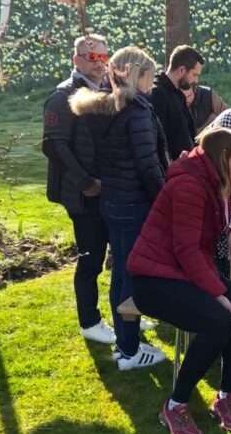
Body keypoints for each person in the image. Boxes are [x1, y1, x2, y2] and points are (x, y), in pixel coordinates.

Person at [128, 127, 231, 434]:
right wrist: (216, 292)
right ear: (223, 156)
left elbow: (211, 226)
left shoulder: (211, 179)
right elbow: (185, 249)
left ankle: (226, 396)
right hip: (154, 279)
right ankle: (175, 405)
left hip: (184, 270)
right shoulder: (189, 185)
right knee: (218, 321)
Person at [70, 45, 169, 371]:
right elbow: (147, 164)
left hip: (112, 200)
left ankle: (126, 343)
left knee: (122, 274)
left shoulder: (107, 108)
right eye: (150, 76)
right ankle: (128, 349)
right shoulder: (136, 111)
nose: (152, 83)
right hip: (133, 203)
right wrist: (164, 200)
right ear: (136, 75)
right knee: (130, 275)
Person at [42, 34, 115, 344]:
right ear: (77, 60)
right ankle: (89, 321)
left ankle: (123, 317)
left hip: (109, 190)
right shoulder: (63, 96)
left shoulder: (109, 91)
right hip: (83, 195)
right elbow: (53, 146)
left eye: (103, 57)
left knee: (117, 255)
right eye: (92, 57)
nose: (100, 64)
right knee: (90, 259)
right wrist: (85, 183)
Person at [149, 44, 204, 161]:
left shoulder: (178, 93)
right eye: (194, 75)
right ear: (182, 70)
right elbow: (158, 139)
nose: (196, 80)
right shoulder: (157, 94)